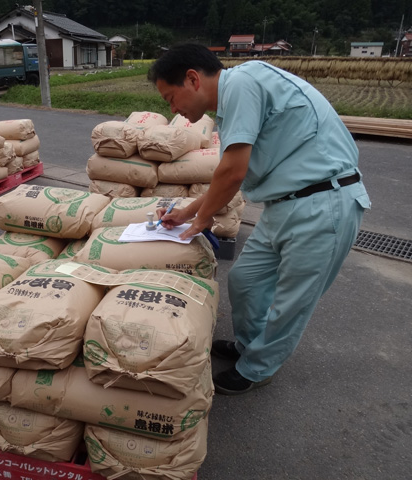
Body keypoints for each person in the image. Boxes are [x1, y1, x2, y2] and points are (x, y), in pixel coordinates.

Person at [149, 43, 371, 395]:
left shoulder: (242, 83)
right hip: (285, 204)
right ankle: (249, 347)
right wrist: (188, 211)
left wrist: (202, 220)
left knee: (291, 302)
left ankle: (257, 368)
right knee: (246, 281)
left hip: (323, 202)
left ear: (192, 79)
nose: (172, 108)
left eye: (169, 98)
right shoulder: (233, 104)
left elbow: (233, 172)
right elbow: (231, 175)